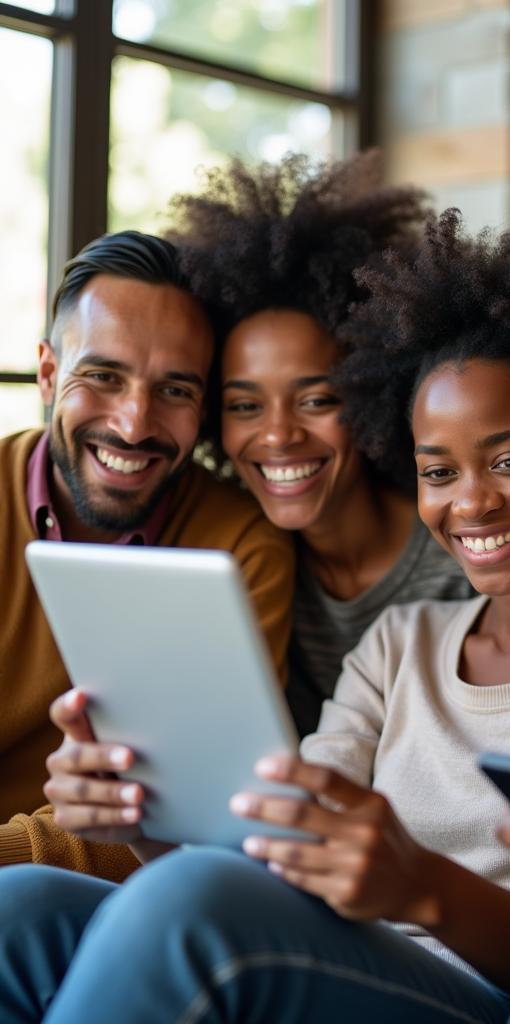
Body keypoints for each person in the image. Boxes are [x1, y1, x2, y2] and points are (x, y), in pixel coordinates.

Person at [0, 211, 510, 1023]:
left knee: (197, 903)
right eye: (438, 471)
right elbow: (273, 847)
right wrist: (139, 814)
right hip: (347, 961)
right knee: (21, 905)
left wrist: (425, 889)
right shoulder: (399, 645)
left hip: (508, 992)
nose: (474, 500)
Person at [0, 231, 294, 880]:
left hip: (112, 899)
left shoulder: (241, 549)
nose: (134, 425)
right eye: (103, 377)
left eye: (175, 391)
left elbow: (195, 805)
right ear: (49, 374)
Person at [169, 153, 473, 736]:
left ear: (374, 396)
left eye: (316, 400)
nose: (279, 435)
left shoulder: (463, 553)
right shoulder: (240, 564)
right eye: (244, 406)